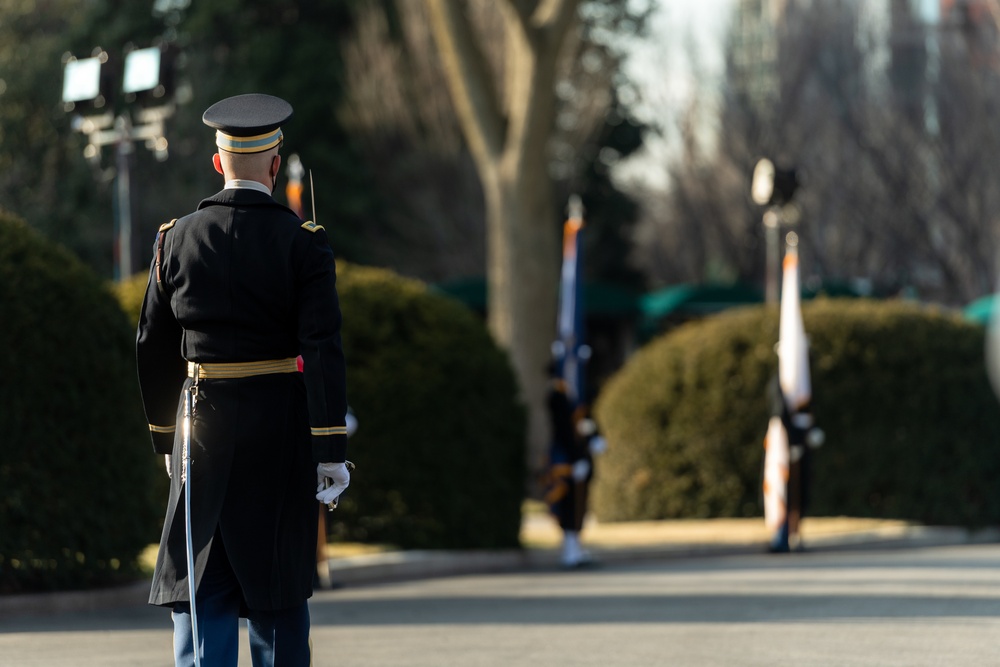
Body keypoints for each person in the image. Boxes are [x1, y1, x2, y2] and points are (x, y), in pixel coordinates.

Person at [136, 93, 351, 667]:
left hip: (197, 431)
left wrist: (166, 438)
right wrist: (329, 447)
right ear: (275, 165)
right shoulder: (302, 242)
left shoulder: (172, 239)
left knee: (202, 591)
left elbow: (153, 348)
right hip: (277, 435)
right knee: (277, 596)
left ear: (217, 163)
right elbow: (321, 348)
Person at [543, 366, 605, 568]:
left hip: (579, 457)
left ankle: (576, 547)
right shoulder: (557, 397)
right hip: (567, 460)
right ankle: (569, 550)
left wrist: (594, 437)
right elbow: (564, 431)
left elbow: (584, 421)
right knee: (568, 504)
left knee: (579, 504)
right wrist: (577, 457)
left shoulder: (575, 394)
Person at [766, 374, 823, 553]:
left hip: (797, 445)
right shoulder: (779, 382)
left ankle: (792, 535)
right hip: (784, 447)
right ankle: (781, 536)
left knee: (797, 493)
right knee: (782, 492)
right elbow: (781, 413)